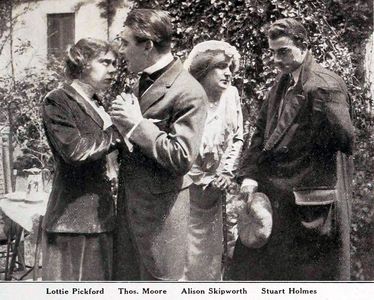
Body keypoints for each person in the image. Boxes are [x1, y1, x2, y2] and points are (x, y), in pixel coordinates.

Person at [227, 18, 354, 280]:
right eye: (272, 52)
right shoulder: (283, 82)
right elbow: (261, 133)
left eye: (283, 51)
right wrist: (249, 175)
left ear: (304, 46)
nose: (275, 59)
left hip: (308, 205)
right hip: (278, 198)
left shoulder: (324, 86)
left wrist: (302, 150)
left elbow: (344, 140)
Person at [110, 9, 207, 281]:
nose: (121, 50)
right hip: (131, 212)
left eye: (126, 43)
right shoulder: (140, 80)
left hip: (160, 220)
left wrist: (135, 125)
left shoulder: (189, 91)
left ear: (147, 45)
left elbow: (182, 157)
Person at [41, 38, 121, 280]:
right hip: (73, 222)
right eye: (105, 62)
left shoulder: (97, 103)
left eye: (115, 63)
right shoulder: (58, 100)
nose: (113, 69)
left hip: (101, 219)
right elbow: (75, 151)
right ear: (82, 63)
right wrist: (121, 131)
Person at [182, 41, 243, 280]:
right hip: (188, 190)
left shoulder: (232, 96)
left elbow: (238, 137)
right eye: (221, 67)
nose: (228, 73)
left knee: (219, 253)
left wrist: (226, 172)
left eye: (230, 67)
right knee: (189, 257)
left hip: (218, 191)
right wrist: (197, 176)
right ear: (203, 70)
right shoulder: (187, 98)